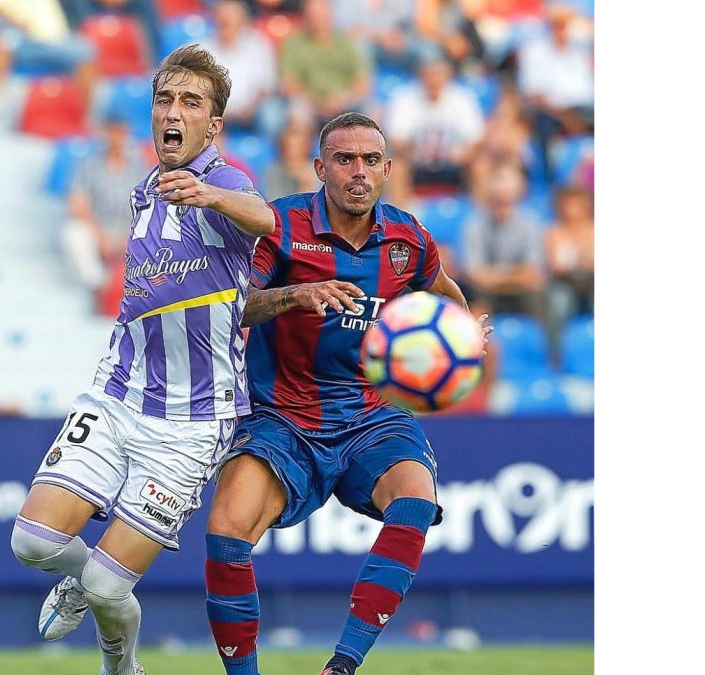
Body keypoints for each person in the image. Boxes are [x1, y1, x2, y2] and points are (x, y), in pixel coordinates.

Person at [9, 45, 275, 675]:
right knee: (31, 542)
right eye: (164, 100)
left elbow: (267, 219)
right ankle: (81, 584)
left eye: (190, 102)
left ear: (212, 125)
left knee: (107, 586)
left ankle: (120, 666)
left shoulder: (226, 181)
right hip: (119, 394)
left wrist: (210, 195)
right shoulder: (146, 190)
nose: (172, 113)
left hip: (192, 423)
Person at [202, 112, 491, 675]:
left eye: (370, 160)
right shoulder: (281, 225)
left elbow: (447, 294)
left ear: (386, 169)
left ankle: (342, 666)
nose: (358, 171)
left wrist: (466, 331)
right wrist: (295, 296)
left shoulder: (408, 240)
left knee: (416, 498)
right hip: (281, 419)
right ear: (321, 168)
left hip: (371, 416)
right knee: (225, 532)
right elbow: (233, 306)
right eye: (344, 159)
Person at [62, 110, 152, 311]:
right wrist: (99, 234)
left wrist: (128, 236)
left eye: (120, 133)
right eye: (111, 132)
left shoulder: (139, 167)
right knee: (73, 233)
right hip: (98, 228)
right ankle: (97, 285)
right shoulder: (88, 165)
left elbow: (148, 208)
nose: (116, 138)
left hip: (129, 231)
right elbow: (77, 204)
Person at [385, 53, 485, 200]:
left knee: (480, 165)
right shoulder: (404, 98)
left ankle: (480, 214)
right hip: (415, 162)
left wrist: (463, 152)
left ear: (447, 76)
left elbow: (476, 138)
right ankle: (399, 218)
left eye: (438, 75)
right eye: (429, 75)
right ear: (421, 76)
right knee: (396, 167)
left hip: (454, 162)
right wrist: (414, 151)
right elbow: (396, 138)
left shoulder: (462, 98)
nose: (434, 80)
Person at [517, 3, 594, 183]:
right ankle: (551, 182)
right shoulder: (534, 52)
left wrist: (578, 18)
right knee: (541, 123)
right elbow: (534, 95)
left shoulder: (581, 49)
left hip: (586, 110)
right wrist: (568, 118)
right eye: (557, 24)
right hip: (553, 112)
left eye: (565, 24)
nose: (561, 30)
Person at [460, 163, 546, 316]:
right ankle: (477, 338)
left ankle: (546, 340)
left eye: (506, 202)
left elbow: (534, 273)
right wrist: (514, 275)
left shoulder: (530, 224)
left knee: (542, 295)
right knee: (472, 297)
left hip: (523, 292)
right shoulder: (474, 225)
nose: (501, 207)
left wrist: (496, 276)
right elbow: (474, 273)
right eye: (497, 201)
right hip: (487, 292)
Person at [278, 0, 372, 129]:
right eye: (313, 15)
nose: (318, 19)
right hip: (309, 103)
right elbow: (288, 84)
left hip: (344, 102)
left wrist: (341, 100)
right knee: (296, 111)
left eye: (321, 15)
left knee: (372, 111)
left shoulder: (346, 42)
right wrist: (316, 101)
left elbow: (363, 83)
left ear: (330, 14)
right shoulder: (294, 43)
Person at [199, 0, 285, 138]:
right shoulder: (201, 49)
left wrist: (250, 106)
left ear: (242, 23)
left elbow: (266, 84)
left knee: (272, 114)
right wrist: (218, 108)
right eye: (222, 22)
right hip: (216, 110)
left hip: (252, 110)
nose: (226, 26)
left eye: (231, 22)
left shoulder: (258, 45)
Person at [544, 184, 593, 361]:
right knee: (559, 304)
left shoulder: (594, 230)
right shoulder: (554, 232)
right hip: (564, 284)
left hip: (592, 283)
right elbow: (558, 266)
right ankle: (556, 356)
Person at [262, 119, 318, 199]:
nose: (291, 152)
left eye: (297, 147)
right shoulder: (272, 171)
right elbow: (275, 204)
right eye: (287, 146)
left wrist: (308, 184)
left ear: (307, 146)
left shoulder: (316, 170)